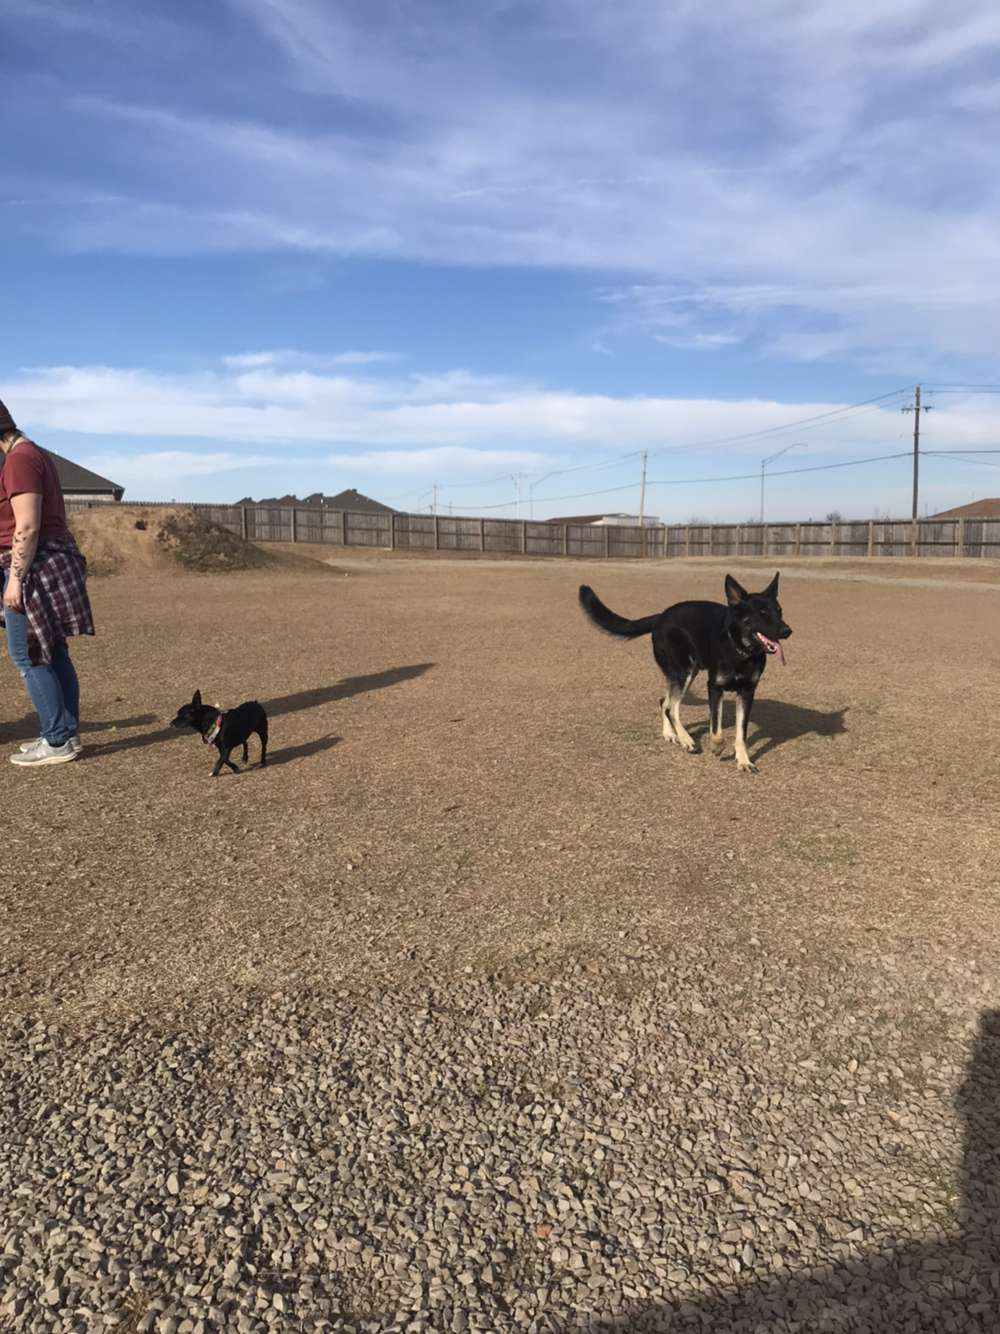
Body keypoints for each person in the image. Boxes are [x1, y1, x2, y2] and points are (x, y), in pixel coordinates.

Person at [0, 399, 94, 766]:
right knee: (53, 651)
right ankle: (64, 733)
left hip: (32, 565)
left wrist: (14, 581)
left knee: (28, 654)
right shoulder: (31, 454)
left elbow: (27, 525)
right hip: (43, 561)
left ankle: (56, 740)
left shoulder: (19, 461)